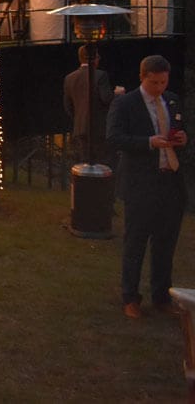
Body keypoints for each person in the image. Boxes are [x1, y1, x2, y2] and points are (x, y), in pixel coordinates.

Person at [106, 54, 187, 319]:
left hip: (169, 181)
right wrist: (149, 142)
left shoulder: (171, 100)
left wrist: (182, 138)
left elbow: (180, 127)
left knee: (165, 243)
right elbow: (115, 138)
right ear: (143, 78)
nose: (159, 88)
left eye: (163, 82)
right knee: (136, 241)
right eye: (154, 83)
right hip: (141, 183)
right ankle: (130, 296)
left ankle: (161, 294)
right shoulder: (126, 104)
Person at [63, 45, 119, 164]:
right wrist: (118, 94)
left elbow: (68, 106)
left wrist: (78, 118)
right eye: (98, 56)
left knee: (86, 165)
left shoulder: (69, 78)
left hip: (80, 128)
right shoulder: (100, 75)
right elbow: (106, 99)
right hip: (99, 129)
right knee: (104, 163)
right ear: (94, 58)